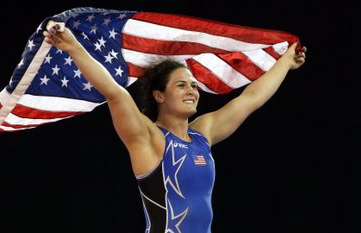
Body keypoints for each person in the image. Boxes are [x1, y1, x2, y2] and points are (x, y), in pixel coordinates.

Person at [43, 22, 306, 233]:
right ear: (159, 96)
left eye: (193, 85)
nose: (192, 91)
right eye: (181, 85)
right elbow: (115, 94)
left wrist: (286, 62)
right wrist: (74, 48)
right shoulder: (150, 138)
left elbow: (250, 99)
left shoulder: (203, 134)